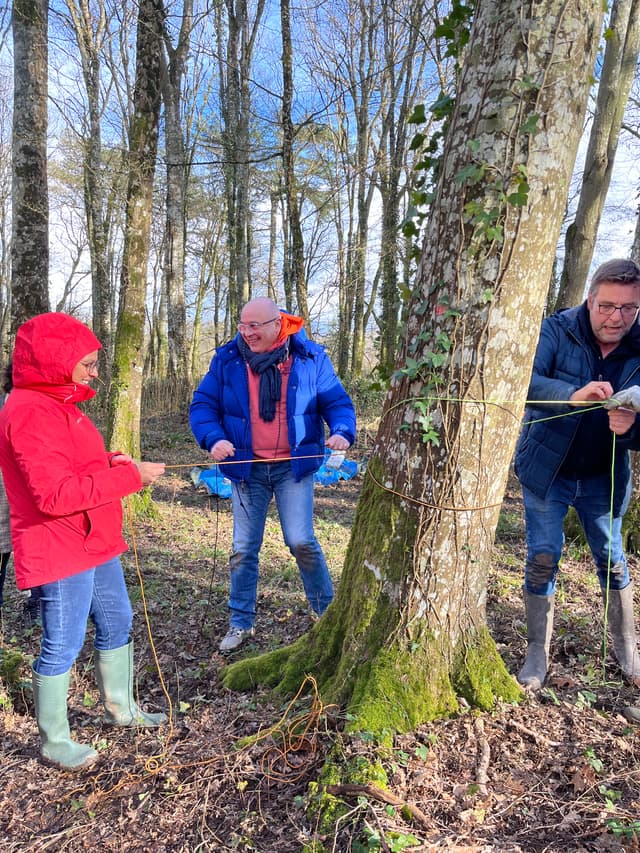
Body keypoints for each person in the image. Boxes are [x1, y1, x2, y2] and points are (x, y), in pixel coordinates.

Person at [0, 312, 167, 770]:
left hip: (94, 537)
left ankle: (121, 709)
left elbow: (76, 465)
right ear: (57, 360)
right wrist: (131, 478)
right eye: (88, 363)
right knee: (64, 640)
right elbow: (55, 495)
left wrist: (112, 461)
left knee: (118, 620)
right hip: (58, 545)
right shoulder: (29, 411)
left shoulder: (61, 403)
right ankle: (55, 740)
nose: (95, 371)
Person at [190, 297, 356, 653]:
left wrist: (342, 429)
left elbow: (336, 401)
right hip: (246, 470)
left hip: (292, 469)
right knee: (243, 548)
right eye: (242, 325)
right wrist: (214, 437)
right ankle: (240, 623)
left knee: (301, 541)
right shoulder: (227, 360)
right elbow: (203, 405)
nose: (246, 333)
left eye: (254, 326)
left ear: (277, 324)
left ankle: (325, 614)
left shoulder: (310, 358)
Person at [515, 258, 640, 692]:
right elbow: (524, 384)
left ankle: (628, 650)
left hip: (604, 475)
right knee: (543, 555)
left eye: (628, 309)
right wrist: (572, 396)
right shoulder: (559, 328)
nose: (616, 317)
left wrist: (633, 426)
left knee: (611, 557)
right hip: (547, 468)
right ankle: (536, 654)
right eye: (607, 306)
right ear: (590, 299)